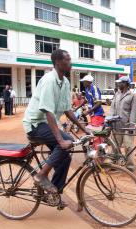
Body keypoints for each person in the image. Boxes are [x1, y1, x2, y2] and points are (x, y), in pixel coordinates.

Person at [23, 49, 90, 203]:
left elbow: (68, 110)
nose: (70, 63)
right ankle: (41, 175)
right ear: (58, 62)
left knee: (66, 156)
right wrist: (60, 140)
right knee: (65, 141)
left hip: (47, 124)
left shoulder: (65, 82)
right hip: (35, 124)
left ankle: (53, 193)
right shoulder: (49, 80)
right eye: (68, 59)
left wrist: (85, 129)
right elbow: (48, 112)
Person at [109, 76, 136, 172]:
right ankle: (113, 164)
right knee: (115, 146)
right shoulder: (117, 94)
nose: (118, 84)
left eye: (120, 83)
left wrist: (132, 126)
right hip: (116, 125)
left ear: (125, 84)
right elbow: (112, 108)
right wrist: (109, 120)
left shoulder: (132, 96)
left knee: (128, 146)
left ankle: (130, 167)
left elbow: (133, 112)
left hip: (127, 126)